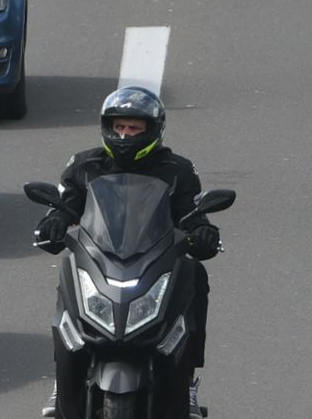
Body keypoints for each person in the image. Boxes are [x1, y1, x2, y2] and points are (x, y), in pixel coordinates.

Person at [42, 83, 216, 371]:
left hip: (155, 261)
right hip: (99, 260)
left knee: (194, 272)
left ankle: (187, 373)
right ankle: (65, 376)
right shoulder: (84, 165)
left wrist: (203, 232)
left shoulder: (177, 169)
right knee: (68, 272)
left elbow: (192, 213)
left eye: (134, 128)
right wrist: (54, 222)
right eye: (119, 126)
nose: (124, 134)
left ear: (153, 130)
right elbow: (64, 205)